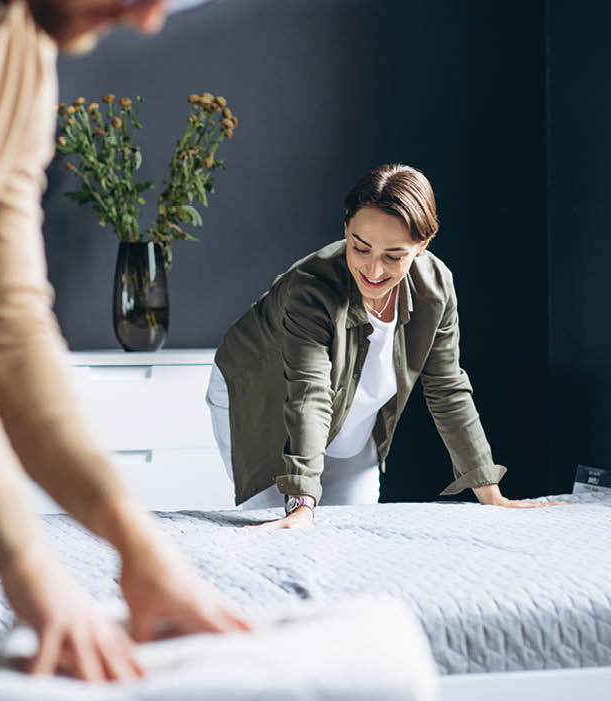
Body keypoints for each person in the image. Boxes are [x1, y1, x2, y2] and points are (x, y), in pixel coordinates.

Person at [0, 0, 248, 683]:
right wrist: (26, 560)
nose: (149, 21)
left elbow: (7, 325)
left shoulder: (24, 57)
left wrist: (132, 537)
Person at [208, 163, 564, 528]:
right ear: (346, 228)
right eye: (360, 248)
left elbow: (446, 387)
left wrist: (490, 492)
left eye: (393, 256)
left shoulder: (436, 289)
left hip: (350, 404)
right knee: (287, 527)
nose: (373, 271)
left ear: (422, 246)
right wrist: (301, 502)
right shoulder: (310, 288)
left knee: (354, 529)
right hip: (262, 394)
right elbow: (309, 393)